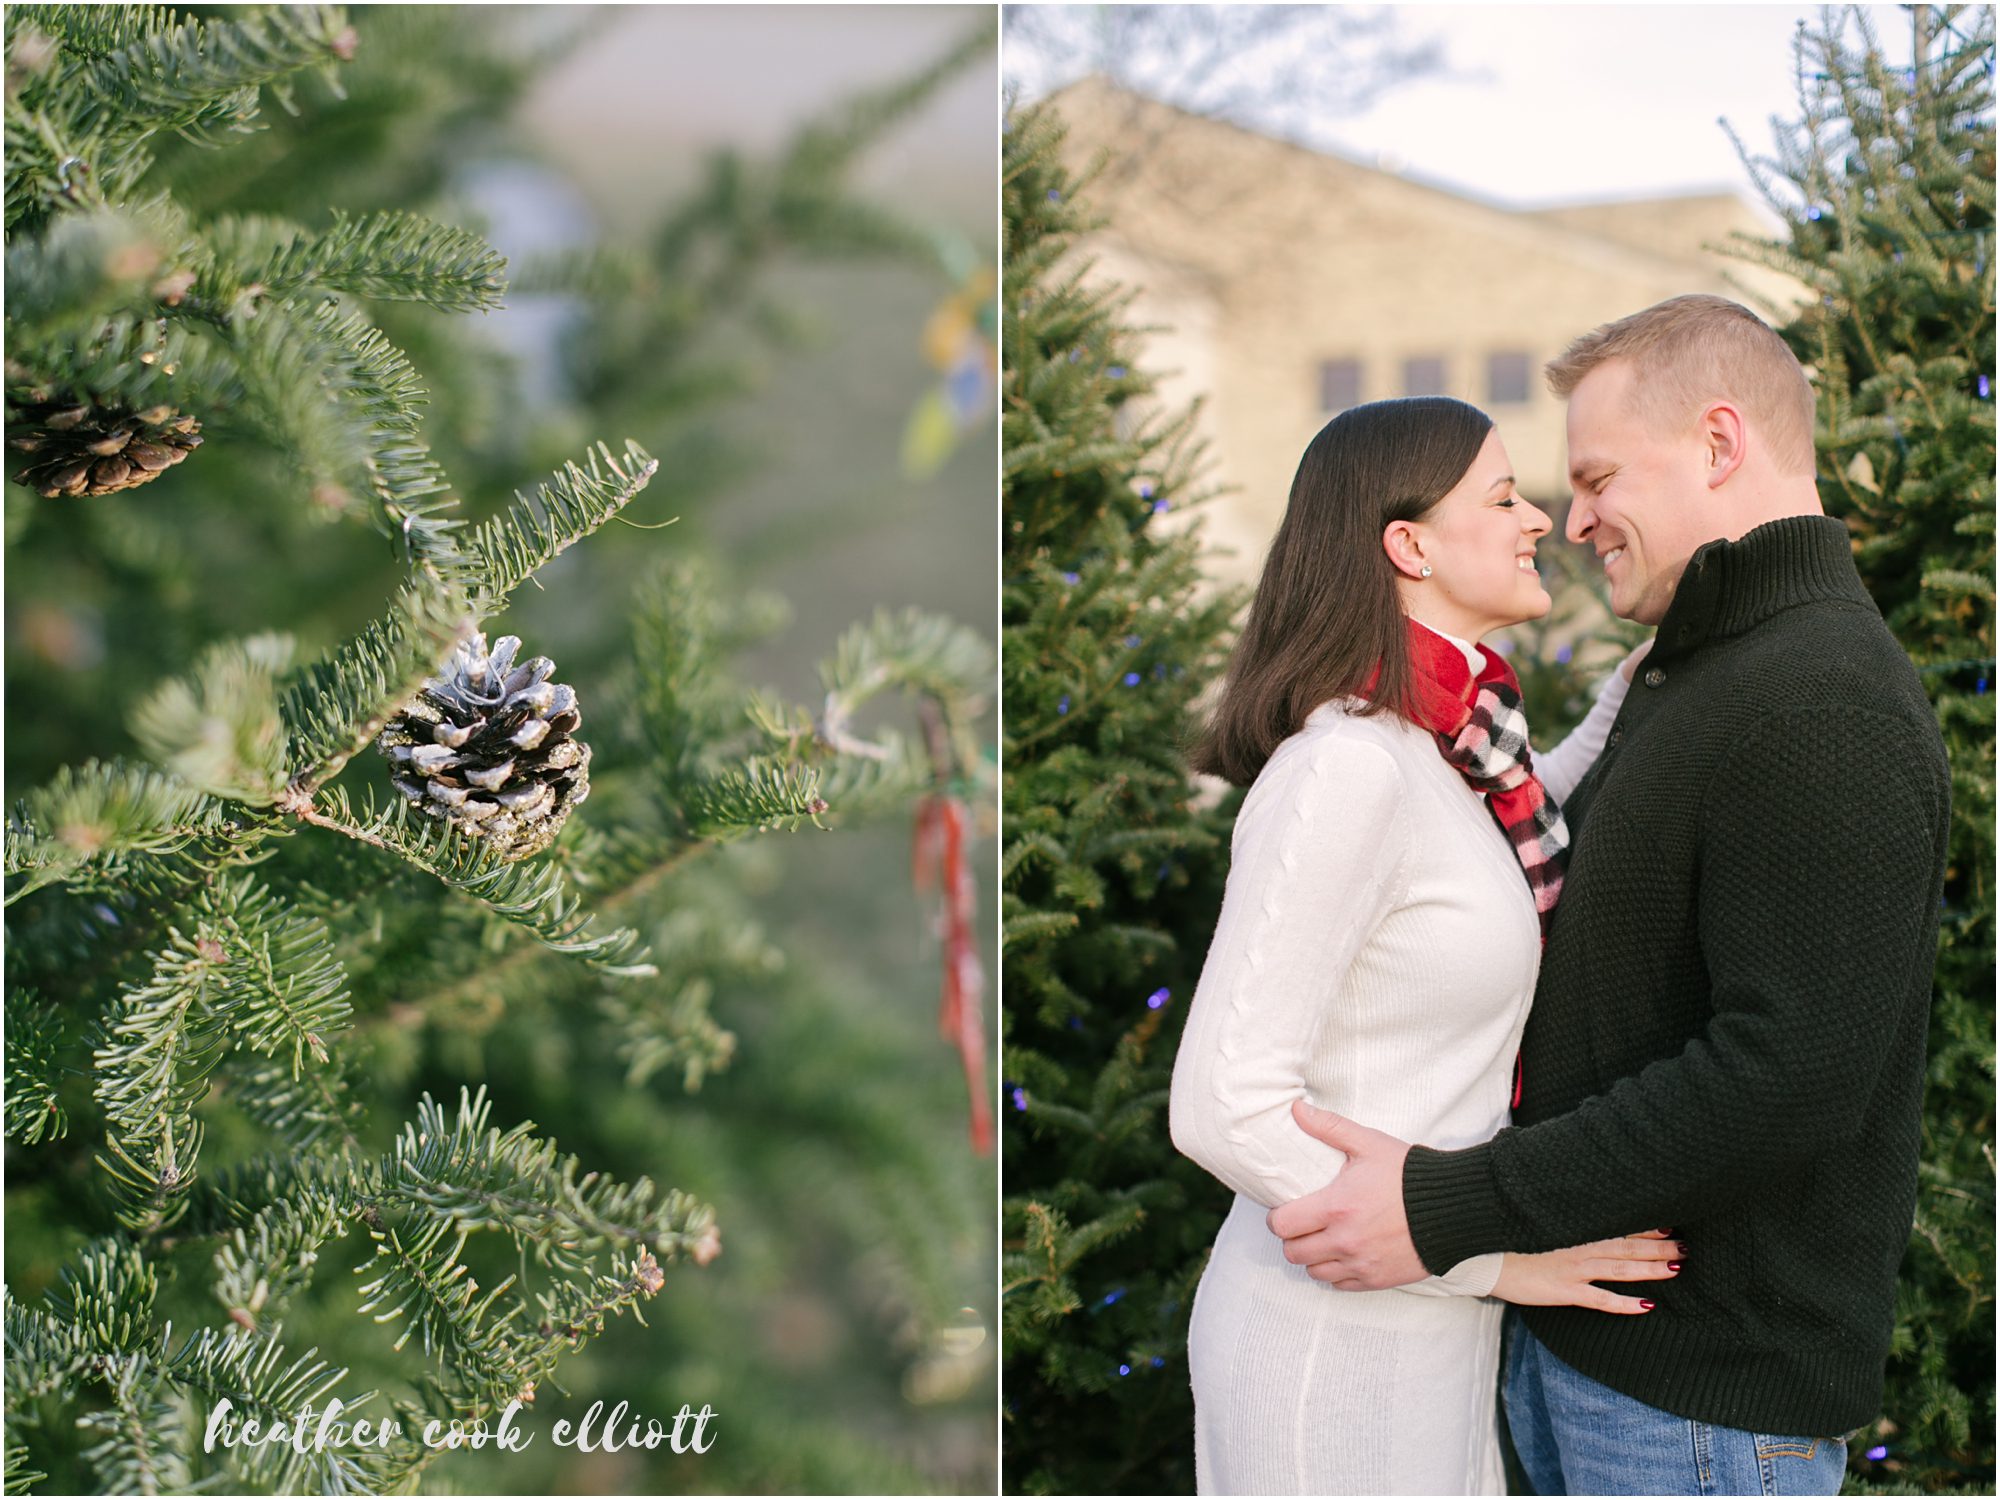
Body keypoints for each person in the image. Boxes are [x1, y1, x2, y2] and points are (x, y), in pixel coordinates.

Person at [1265, 296, 1952, 1497]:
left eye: (1592, 477)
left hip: (1701, 1410)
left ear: (1719, 445)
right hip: (1584, 1361)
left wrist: (1450, 1206)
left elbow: (1782, 1075)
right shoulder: (1694, 673)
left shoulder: (1822, 699)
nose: (1570, 520)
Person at [1170, 394, 1675, 1496]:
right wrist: (1488, 1256)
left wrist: (1632, 690)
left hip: (1431, 1334)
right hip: (1323, 1342)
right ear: (1407, 544)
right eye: (1502, 497)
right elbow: (1219, 1102)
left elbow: (1518, 821)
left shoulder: (1451, 757)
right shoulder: (1344, 769)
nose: (1539, 518)